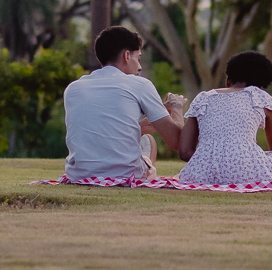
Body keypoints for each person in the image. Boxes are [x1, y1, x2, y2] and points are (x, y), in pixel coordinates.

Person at [177, 50, 272, 186]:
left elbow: (184, 152)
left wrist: (210, 160)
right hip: (248, 173)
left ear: (228, 81)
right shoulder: (259, 96)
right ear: (261, 86)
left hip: (199, 175)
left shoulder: (203, 98)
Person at [64, 26, 187, 182]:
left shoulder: (73, 88)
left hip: (79, 176)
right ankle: (146, 167)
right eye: (139, 59)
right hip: (125, 176)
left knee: (143, 138)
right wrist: (176, 106)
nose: (140, 67)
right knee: (148, 152)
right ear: (127, 55)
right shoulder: (140, 85)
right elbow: (177, 143)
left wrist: (158, 115)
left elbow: (110, 126)